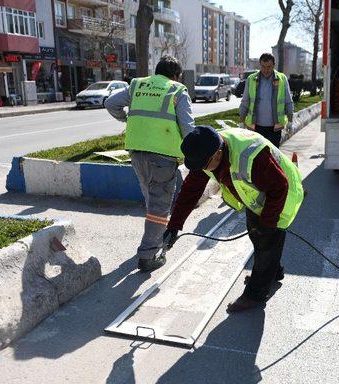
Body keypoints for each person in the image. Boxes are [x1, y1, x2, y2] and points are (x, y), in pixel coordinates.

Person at [162, 126, 304, 313]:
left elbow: (280, 187)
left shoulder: (252, 156)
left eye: (204, 165)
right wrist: (174, 225)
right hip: (258, 194)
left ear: (218, 153)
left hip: (283, 194)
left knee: (267, 238)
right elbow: (190, 190)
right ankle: (272, 272)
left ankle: (255, 294)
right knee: (257, 234)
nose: (201, 170)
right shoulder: (206, 151)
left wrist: (268, 222)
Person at [105, 55, 194, 272]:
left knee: (151, 201)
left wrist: (126, 119)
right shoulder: (177, 90)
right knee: (159, 206)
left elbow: (110, 103)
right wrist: (194, 153)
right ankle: (148, 254)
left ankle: (153, 235)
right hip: (163, 156)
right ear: (175, 75)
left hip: (137, 153)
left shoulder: (137, 85)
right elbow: (189, 128)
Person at [239, 53, 294, 148]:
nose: (266, 70)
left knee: (273, 156)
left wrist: (290, 122)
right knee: (257, 157)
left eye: (269, 67)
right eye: (263, 67)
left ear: (274, 65)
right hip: (255, 127)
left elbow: (288, 101)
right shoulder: (251, 79)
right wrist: (241, 122)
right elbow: (245, 102)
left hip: (275, 128)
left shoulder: (282, 79)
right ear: (260, 65)